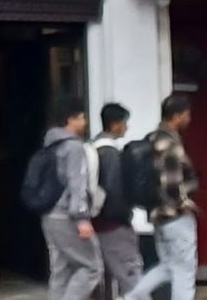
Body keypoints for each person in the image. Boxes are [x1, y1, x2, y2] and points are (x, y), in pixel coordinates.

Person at [124, 94, 199, 300]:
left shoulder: (152, 139)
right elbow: (172, 182)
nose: (189, 119)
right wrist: (183, 203)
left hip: (157, 215)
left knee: (168, 267)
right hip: (175, 215)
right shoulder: (170, 143)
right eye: (187, 114)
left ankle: (130, 298)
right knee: (185, 272)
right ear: (176, 116)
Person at [40, 95, 104, 300]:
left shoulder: (50, 144)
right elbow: (77, 183)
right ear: (70, 120)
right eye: (82, 117)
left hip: (49, 215)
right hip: (68, 215)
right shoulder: (74, 147)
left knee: (61, 270)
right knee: (92, 267)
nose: (85, 122)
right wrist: (82, 218)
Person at [93, 102, 143, 299]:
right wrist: (124, 216)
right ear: (114, 124)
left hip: (96, 222)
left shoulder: (93, 148)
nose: (126, 127)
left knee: (104, 278)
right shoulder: (110, 153)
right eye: (124, 123)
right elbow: (114, 190)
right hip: (113, 224)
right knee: (130, 274)